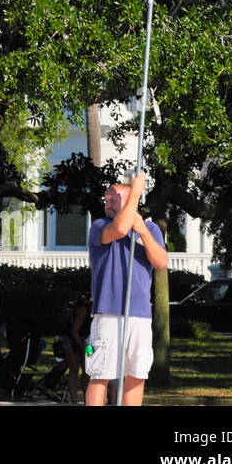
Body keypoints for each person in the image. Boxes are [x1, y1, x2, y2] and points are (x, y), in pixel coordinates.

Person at [85, 173, 169, 406]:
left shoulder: (150, 229)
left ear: (129, 199)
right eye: (106, 200)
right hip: (109, 312)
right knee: (100, 373)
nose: (107, 203)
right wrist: (137, 193)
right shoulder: (100, 226)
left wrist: (142, 230)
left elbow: (161, 262)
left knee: (137, 373)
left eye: (113, 199)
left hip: (140, 314)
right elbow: (121, 229)